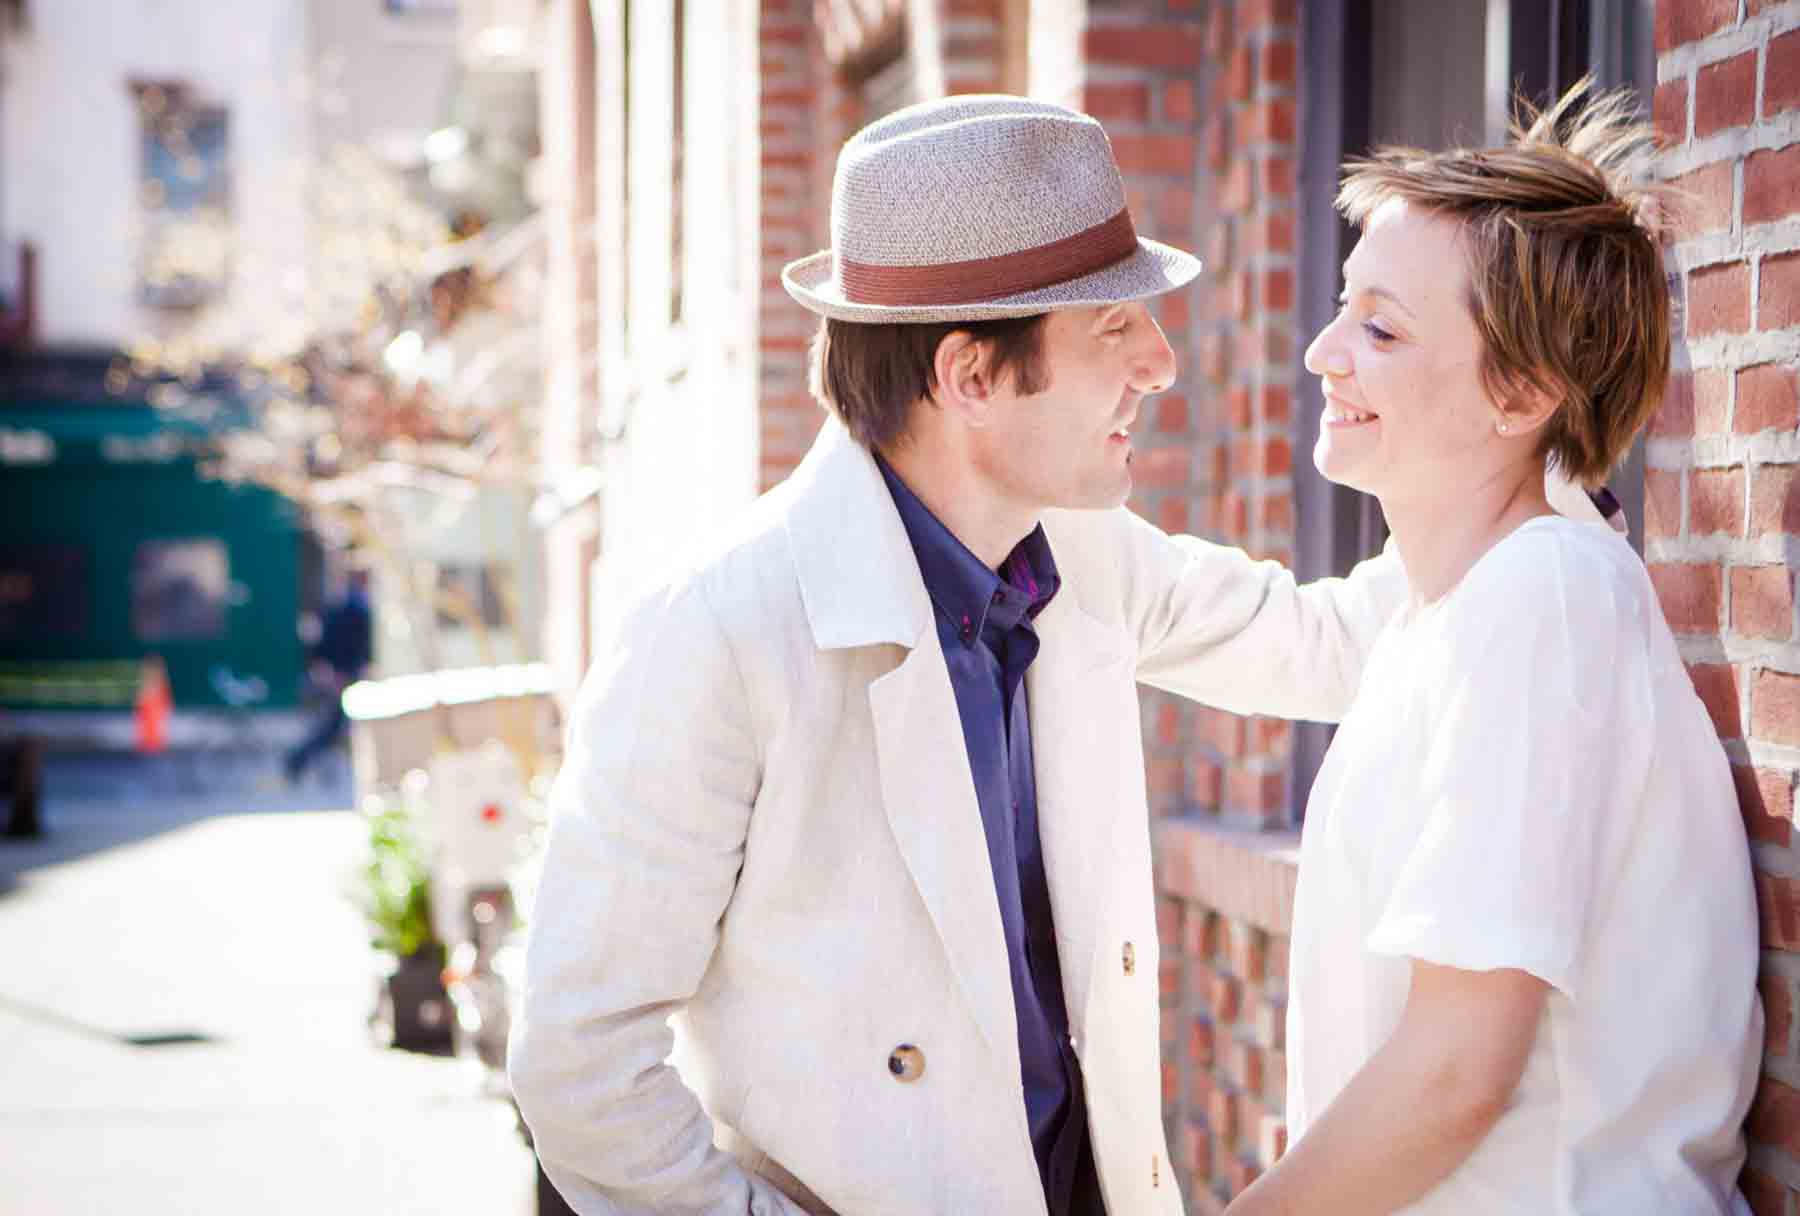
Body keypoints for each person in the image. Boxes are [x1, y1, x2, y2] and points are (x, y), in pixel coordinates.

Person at [510, 95, 1411, 1216]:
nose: (1162, 365)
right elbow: (580, 1062)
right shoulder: (717, 628)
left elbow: (1330, 645)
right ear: (970, 378)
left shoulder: (1087, 554)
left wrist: (1527, 443)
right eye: (1112, 330)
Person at [1225, 84, 1762, 1214]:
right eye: (1342, 307)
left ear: (1521, 392)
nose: (1325, 351)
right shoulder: (1452, 606)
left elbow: (1455, 1070)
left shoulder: (1545, 599)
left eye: (1381, 326)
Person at [284, 566, 372, 785]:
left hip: (342, 673)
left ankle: (303, 762)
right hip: (341, 675)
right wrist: (335, 672)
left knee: (335, 726)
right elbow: (339, 644)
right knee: (332, 726)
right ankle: (298, 760)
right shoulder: (350, 609)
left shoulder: (348, 607)